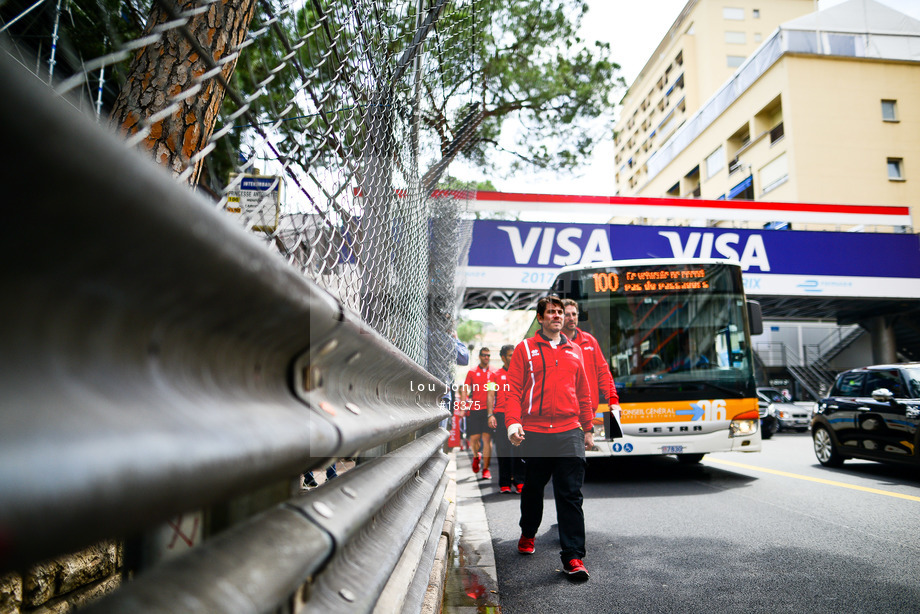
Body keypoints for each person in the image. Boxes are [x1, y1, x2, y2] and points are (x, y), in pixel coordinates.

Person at [505, 295, 594, 581]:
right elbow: (514, 390)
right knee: (533, 488)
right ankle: (528, 532)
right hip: (536, 432)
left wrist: (588, 427)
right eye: (551, 312)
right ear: (540, 318)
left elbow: (583, 393)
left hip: (570, 431)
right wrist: (512, 423)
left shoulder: (575, 351)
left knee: (570, 494)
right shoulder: (525, 349)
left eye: (560, 312)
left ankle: (573, 557)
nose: (557, 316)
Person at [561, 299, 620, 441]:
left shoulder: (589, 341)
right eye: (567, 315)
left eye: (574, 314)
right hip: (563, 416)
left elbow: (603, 373)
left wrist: (612, 400)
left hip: (587, 413)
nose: (571, 318)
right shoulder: (554, 344)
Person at [487, 344, 525, 493]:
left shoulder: (522, 373)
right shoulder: (493, 375)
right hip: (502, 415)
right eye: (510, 355)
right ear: (503, 357)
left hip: (518, 416)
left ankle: (520, 481)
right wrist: (490, 414)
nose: (513, 357)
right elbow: (490, 395)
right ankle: (504, 483)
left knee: (520, 449)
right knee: (503, 450)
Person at [461, 347, 494, 479]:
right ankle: (476, 456)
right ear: (480, 357)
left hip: (488, 411)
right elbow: (465, 389)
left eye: (488, 355)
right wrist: (463, 407)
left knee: (487, 439)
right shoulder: (472, 372)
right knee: (474, 439)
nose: (486, 357)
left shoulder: (493, 373)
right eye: (484, 355)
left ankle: (486, 469)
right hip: (475, 410)